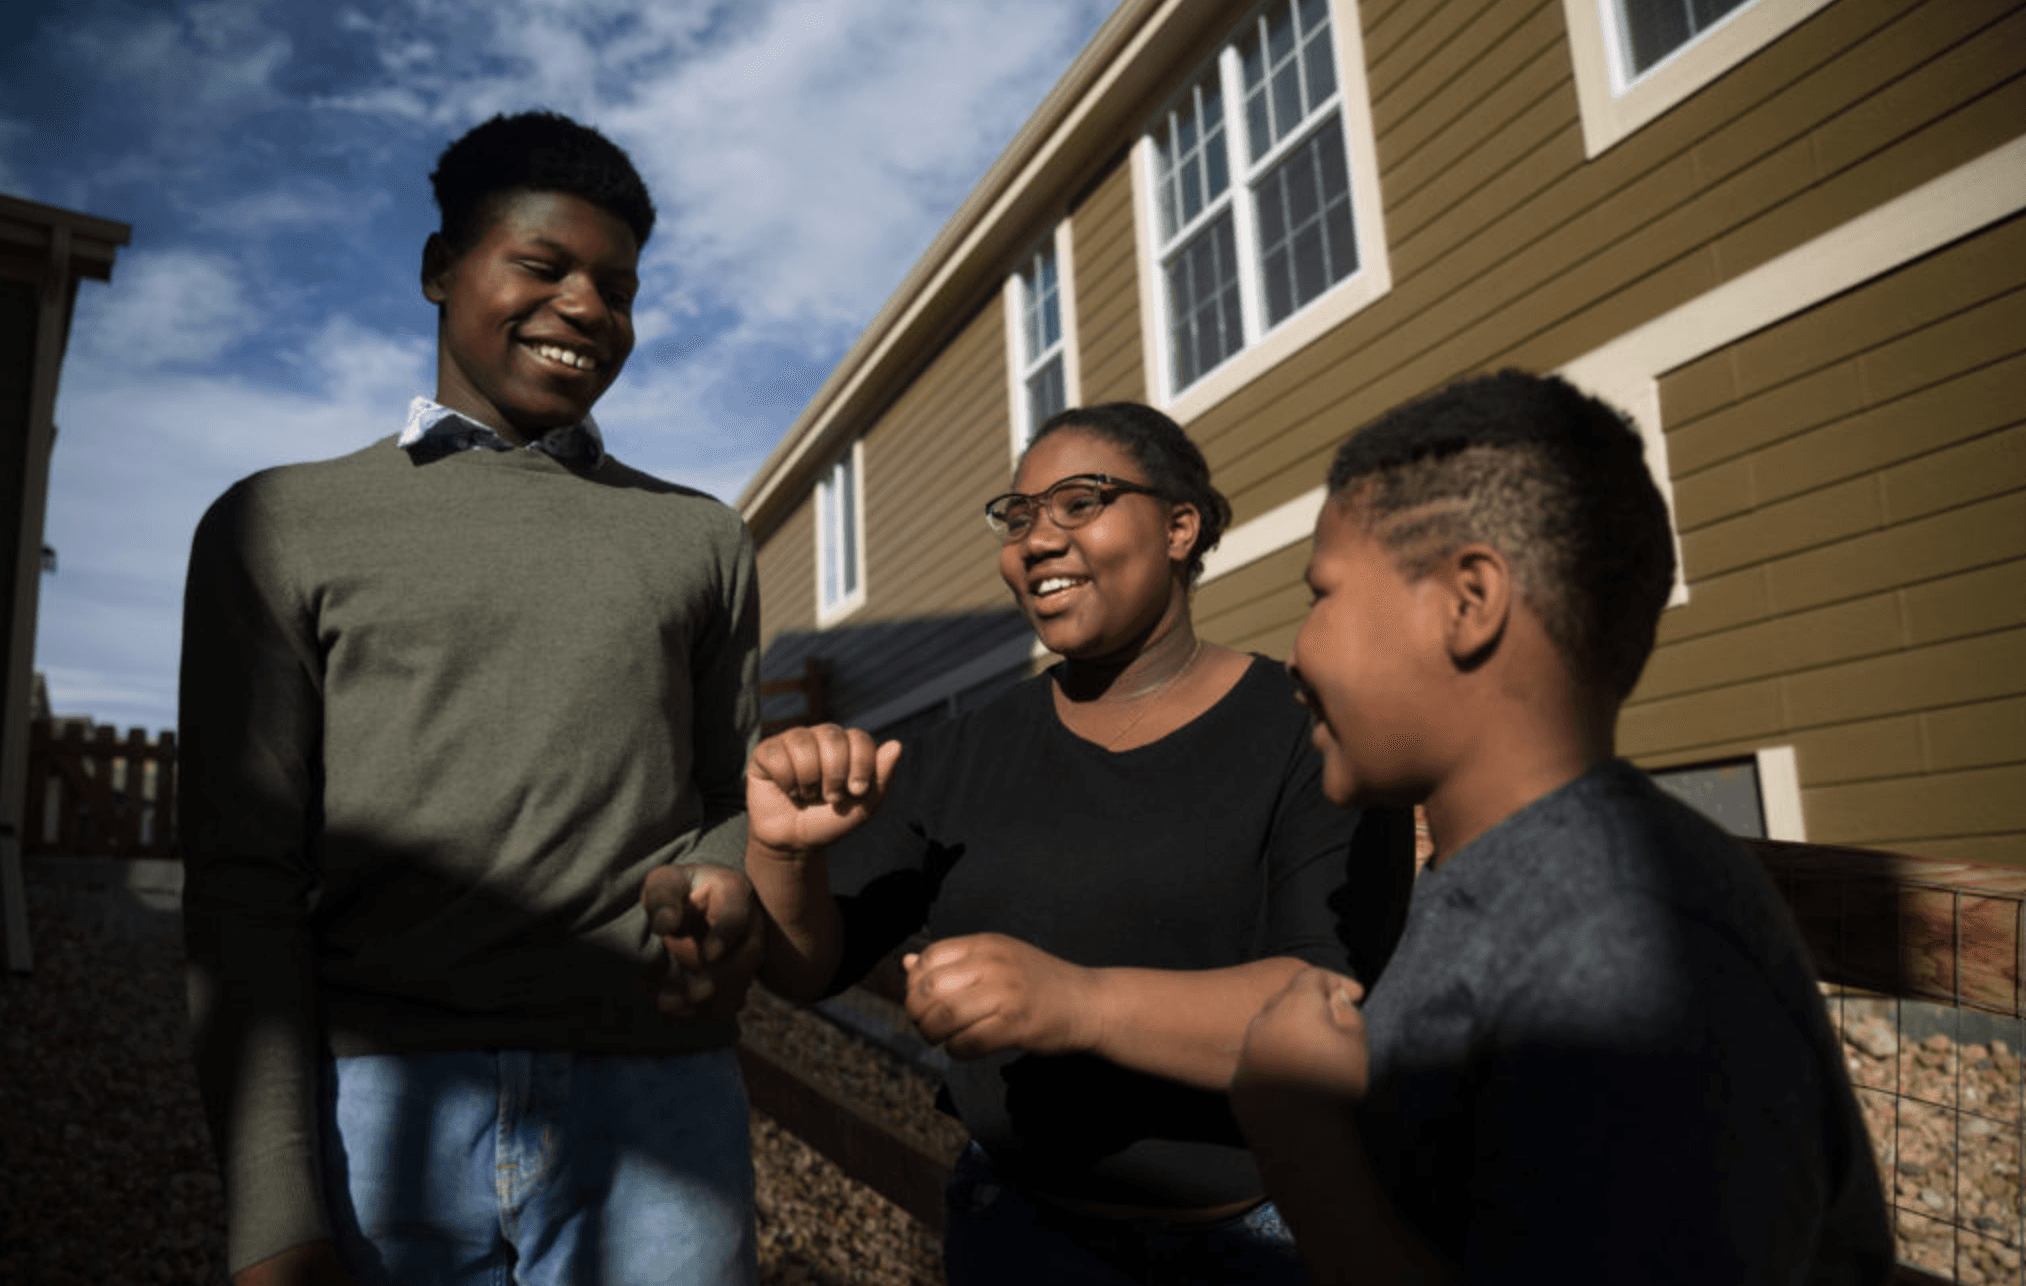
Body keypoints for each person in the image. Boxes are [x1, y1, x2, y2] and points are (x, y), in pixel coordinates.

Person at [179, 111, 766, 1286]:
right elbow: (241, 880)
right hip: (374, 1111)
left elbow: (726, 797)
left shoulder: (699, 536)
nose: (588, 307)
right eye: (544, 266)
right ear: (442, 269)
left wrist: (730, 880)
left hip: (657, 1108)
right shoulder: (280, 521)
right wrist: (274, 1205)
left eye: (619, 284)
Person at [699, 402, 1417, 1285]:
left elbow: (1332, 1006)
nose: (1039, 539)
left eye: (1082, 502)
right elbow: (809, 965)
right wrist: (784, 852)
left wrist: (1079, 1003)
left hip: (1259, 1239)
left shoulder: (1306, 734)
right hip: (1014, 1235)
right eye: (1021, 515)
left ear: (1181, 527)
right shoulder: (962, 753)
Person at [1228, 370, 1894, 1284]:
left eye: (1322, 593)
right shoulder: (1523, 882)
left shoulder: (1624, 955)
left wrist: (1302, 1143)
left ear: (1469, 603)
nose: (1297, 652)